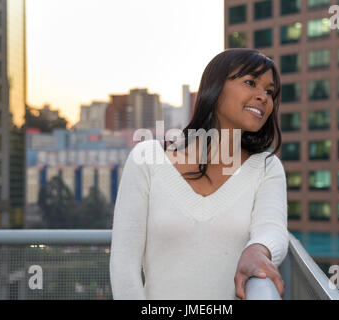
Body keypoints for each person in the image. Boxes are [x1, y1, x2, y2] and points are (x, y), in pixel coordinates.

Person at [110, 48, 289, 300]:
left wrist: (258, 250)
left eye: (270, 92)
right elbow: (124, 266)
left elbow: (272, 229)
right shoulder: (147, 159)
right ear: (215, 88)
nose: (263, 97)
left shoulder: (266, 167)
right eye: (250, 83)